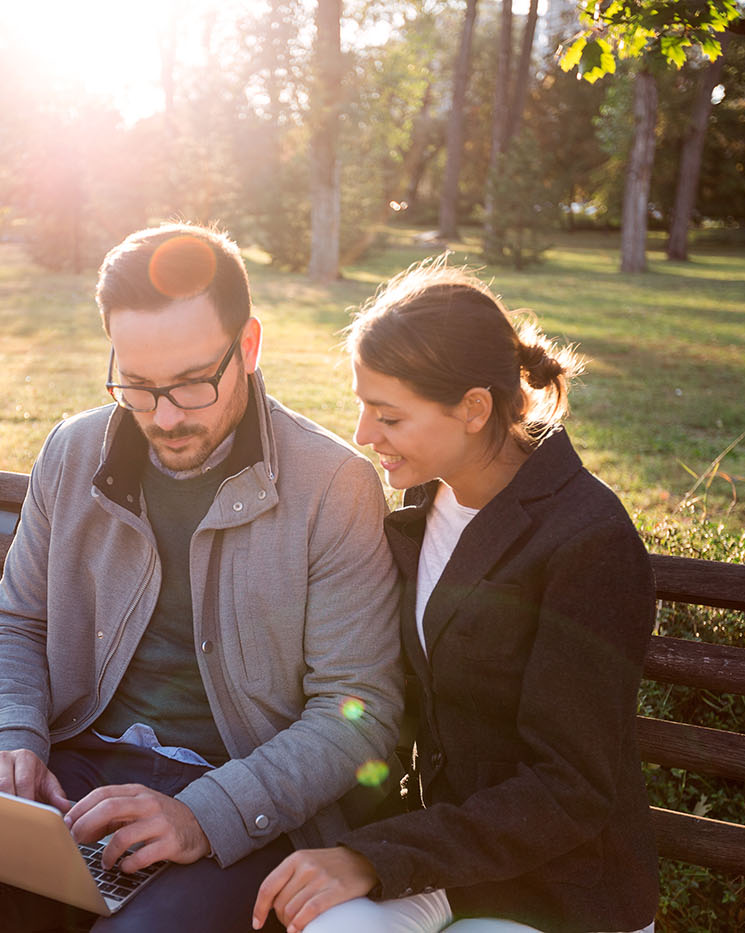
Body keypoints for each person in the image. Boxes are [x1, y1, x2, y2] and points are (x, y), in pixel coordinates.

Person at [0, 224, 404, 932]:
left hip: (242, 805)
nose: (164, 416)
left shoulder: (333, 483)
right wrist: (10, 738)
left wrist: (202, 813)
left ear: (248, 347)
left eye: (192, 384)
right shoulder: (72, 451)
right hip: (74, 777)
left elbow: (359, 708)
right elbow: (18, 623)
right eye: (137, 383)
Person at [252, 261, 659, 933]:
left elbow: (570, 788)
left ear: (473, 408)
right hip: (448, 862)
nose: (361, 433)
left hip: (561, 888)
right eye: (362, 406)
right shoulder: (432, 490)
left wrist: (374, 855)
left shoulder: (590, 542)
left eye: (388, 415)